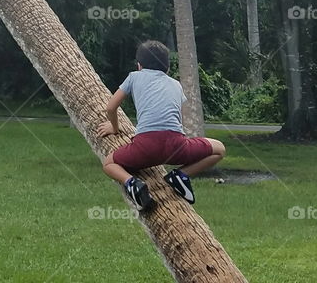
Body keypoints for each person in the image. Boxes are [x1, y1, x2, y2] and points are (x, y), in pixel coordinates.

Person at [97, 40, 226, 211]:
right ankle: (180, 175)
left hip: (144, 148)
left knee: (108, 164)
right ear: (167, 68)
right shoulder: (176, 84)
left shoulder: (134, 77)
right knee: (219, 149)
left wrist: (114, 127)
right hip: (176, 147)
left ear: (139, 65)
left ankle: (132, 183)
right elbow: (177, 120)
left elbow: (110, 107)